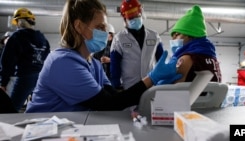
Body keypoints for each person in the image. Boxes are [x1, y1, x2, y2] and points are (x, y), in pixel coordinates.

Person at [25, 0, 181, 113]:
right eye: (99, 27)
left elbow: (115, 97)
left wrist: (153, 87)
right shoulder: (62, 63)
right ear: (79, 26)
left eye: (105, 28)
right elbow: (109, 104)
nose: (105, 34)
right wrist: (151, 78)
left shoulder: (93, 64)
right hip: (42, 129)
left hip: (70, 127)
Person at [0, 8, 51, 112]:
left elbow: (7, 61)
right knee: (38, 107)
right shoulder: (42, 38)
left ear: (18, 22)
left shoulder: (17, 36)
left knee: (11, 109)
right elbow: (47, 58)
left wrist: (3, 83)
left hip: (25, 77)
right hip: (42, 77)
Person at [110, 0, 164, 90]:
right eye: (130, 18)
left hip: (151, 85)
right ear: (125, 19)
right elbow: (115, 65)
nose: (134, 19)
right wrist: (116, 86)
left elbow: (161, 60)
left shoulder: (154, 36)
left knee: (149, 103)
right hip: (129, 87)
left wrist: (162, 80)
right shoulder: (119, 38)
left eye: (137, 16)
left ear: (141, 14)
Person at [165, 5, 222, 84]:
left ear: (190, 36)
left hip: (188, 96)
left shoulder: (186, 59)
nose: (173, 39)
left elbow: (171, 90)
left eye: (177, 34)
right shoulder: (213, 59)